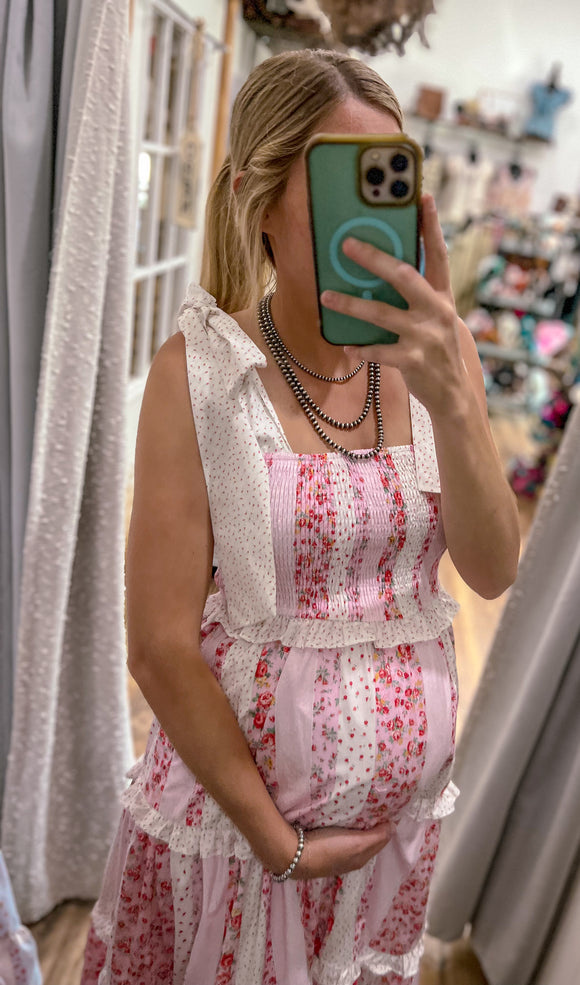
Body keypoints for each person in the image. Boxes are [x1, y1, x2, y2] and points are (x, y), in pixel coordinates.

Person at [80, 49, 520, 985]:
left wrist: (454, 402)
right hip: (234, 845)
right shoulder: (201, 371)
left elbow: (492, 570)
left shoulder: (438, 359)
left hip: (389, 855)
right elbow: (159, 644)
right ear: (259, 198)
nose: (364, 221)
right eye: (334, 182)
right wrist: (278, 842)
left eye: (385, 181)